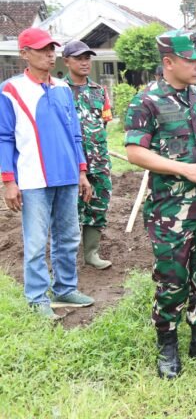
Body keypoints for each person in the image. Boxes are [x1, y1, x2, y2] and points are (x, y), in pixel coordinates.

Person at [124, 30, 196, 379]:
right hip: (170, 212)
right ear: (168, 62)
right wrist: (185, 169)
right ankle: (168, 346)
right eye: (191, 60)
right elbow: (135, 152)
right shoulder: (147, 101)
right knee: (172, 279)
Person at [0, 27, 94, 320]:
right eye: (42, 50)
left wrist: (82, 171)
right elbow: (4, 137)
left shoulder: (63, 88)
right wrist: (8, 180)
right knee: (36, 242)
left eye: (52, 49)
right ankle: (37, 298)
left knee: (68, 237)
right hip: (33, 178)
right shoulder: (11, 90)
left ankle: (65, 288)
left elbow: (75, 134)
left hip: (67, 175)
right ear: (24, 54)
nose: (50, 55)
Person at [63, 40, 113, 270]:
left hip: (99, 161)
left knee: (98, 206)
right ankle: (66, 258)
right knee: (69, 209)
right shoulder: (58, 90)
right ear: (66, 61)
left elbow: (104, 123)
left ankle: (91, 254)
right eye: (78, 58)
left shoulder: (99, 91)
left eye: (87, 58)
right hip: (70, 162)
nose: (84, 63)